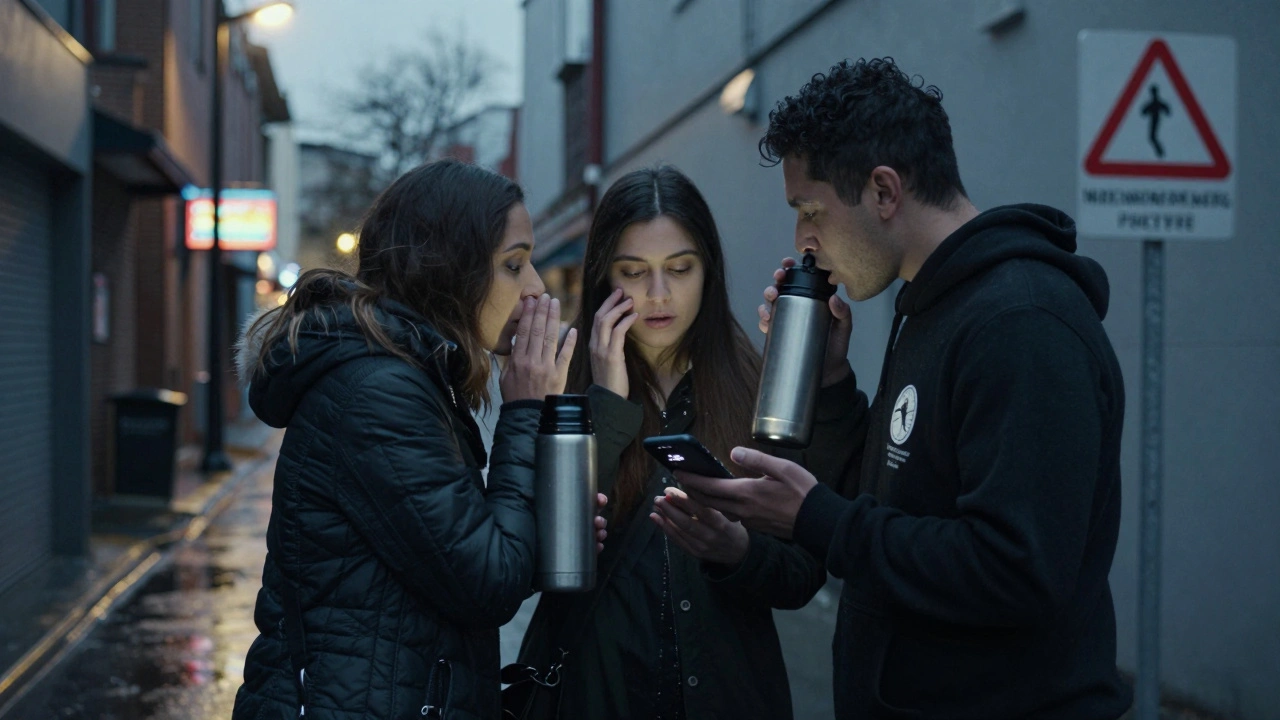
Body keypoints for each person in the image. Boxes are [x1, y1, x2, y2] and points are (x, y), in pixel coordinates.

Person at [677, 58, 1134, 719]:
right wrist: (832, 384)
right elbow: (905, 495)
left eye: (810, 210)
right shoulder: (927, 306)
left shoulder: (1021, 323)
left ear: (884, 191)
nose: (802, 243)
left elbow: (1017, 570)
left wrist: (818, 520)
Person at [230, 159, 606, 720]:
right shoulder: (379, 392)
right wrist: (525, 410)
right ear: (448, 269)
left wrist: (548, 539)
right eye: (513, 265)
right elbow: (486, 586)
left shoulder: (409, 376)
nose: (533, 289)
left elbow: (454, 566)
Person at [515, 166, 833, 719]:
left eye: (680, 269)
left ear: (708, 271)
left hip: (726, 695)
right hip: (594, 693)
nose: (658, 294)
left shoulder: (760, 385)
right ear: (602, 278)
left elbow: (805, 571)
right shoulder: (559, 378)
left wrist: (738, 553)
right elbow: (539, 559)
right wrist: (607, 403)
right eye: (634, 272)